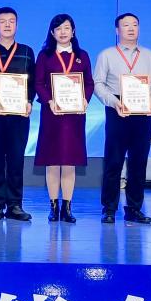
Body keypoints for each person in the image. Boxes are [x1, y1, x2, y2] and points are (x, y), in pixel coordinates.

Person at [93, 13, 151, 224]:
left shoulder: (150, 56)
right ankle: (109, 208)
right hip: (118, 108)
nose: (131, 28)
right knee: (113, 161)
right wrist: (113, 101)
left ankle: (134, 208)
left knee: (138, 162)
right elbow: (98, 83)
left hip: (143, 110)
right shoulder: (107, 55)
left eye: (135, 24)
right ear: (117, 30)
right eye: (126, 25)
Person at [33, 14, 94, 223]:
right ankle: (53, 207)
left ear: (73, 31)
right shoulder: (45, 56)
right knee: (52, 161)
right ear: (52, 33)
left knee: (69, 161)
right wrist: (49, 101)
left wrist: (85, 99)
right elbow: (38, 83)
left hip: (74, 116)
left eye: (67, 28)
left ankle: (67, 208)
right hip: (52, 114)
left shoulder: (82, 55)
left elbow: (89, 83)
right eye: (58, 28)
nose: (63, 32)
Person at [0, 6, 36, 221]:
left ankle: (15, 205)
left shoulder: (26, 51)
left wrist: (29, 101)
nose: (7, 25)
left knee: (16, 160)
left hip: (19, 115)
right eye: (2, 21)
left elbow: (33, 81)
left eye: (11, 21)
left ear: (17, 25)